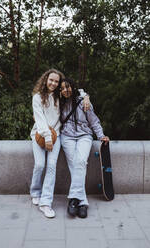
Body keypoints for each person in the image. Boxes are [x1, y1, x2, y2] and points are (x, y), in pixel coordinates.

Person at [30, 69, 90, 218]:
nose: (53, 83)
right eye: (51, 80)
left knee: (51, 166)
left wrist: (86, 96)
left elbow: (77, 90)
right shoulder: (37, 97)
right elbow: (40, 119)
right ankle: (35, 191)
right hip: (40, 134)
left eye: (56, 81)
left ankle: (45, 203)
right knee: (39, 165)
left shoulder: (59, 96)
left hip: (56, 135)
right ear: (45, 80)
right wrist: (47, 138)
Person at [60, 78, 109, 218]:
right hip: (67, 136)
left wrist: (101, 135)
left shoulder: (83, 101)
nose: (65, 90)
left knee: (80, 161)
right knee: (74, 164)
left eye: (67, 87)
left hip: (84, 136)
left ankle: (73, 200)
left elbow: (94, 121)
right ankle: (82, 202)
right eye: (62, 88)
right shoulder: (59, 102)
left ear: (73, 87)